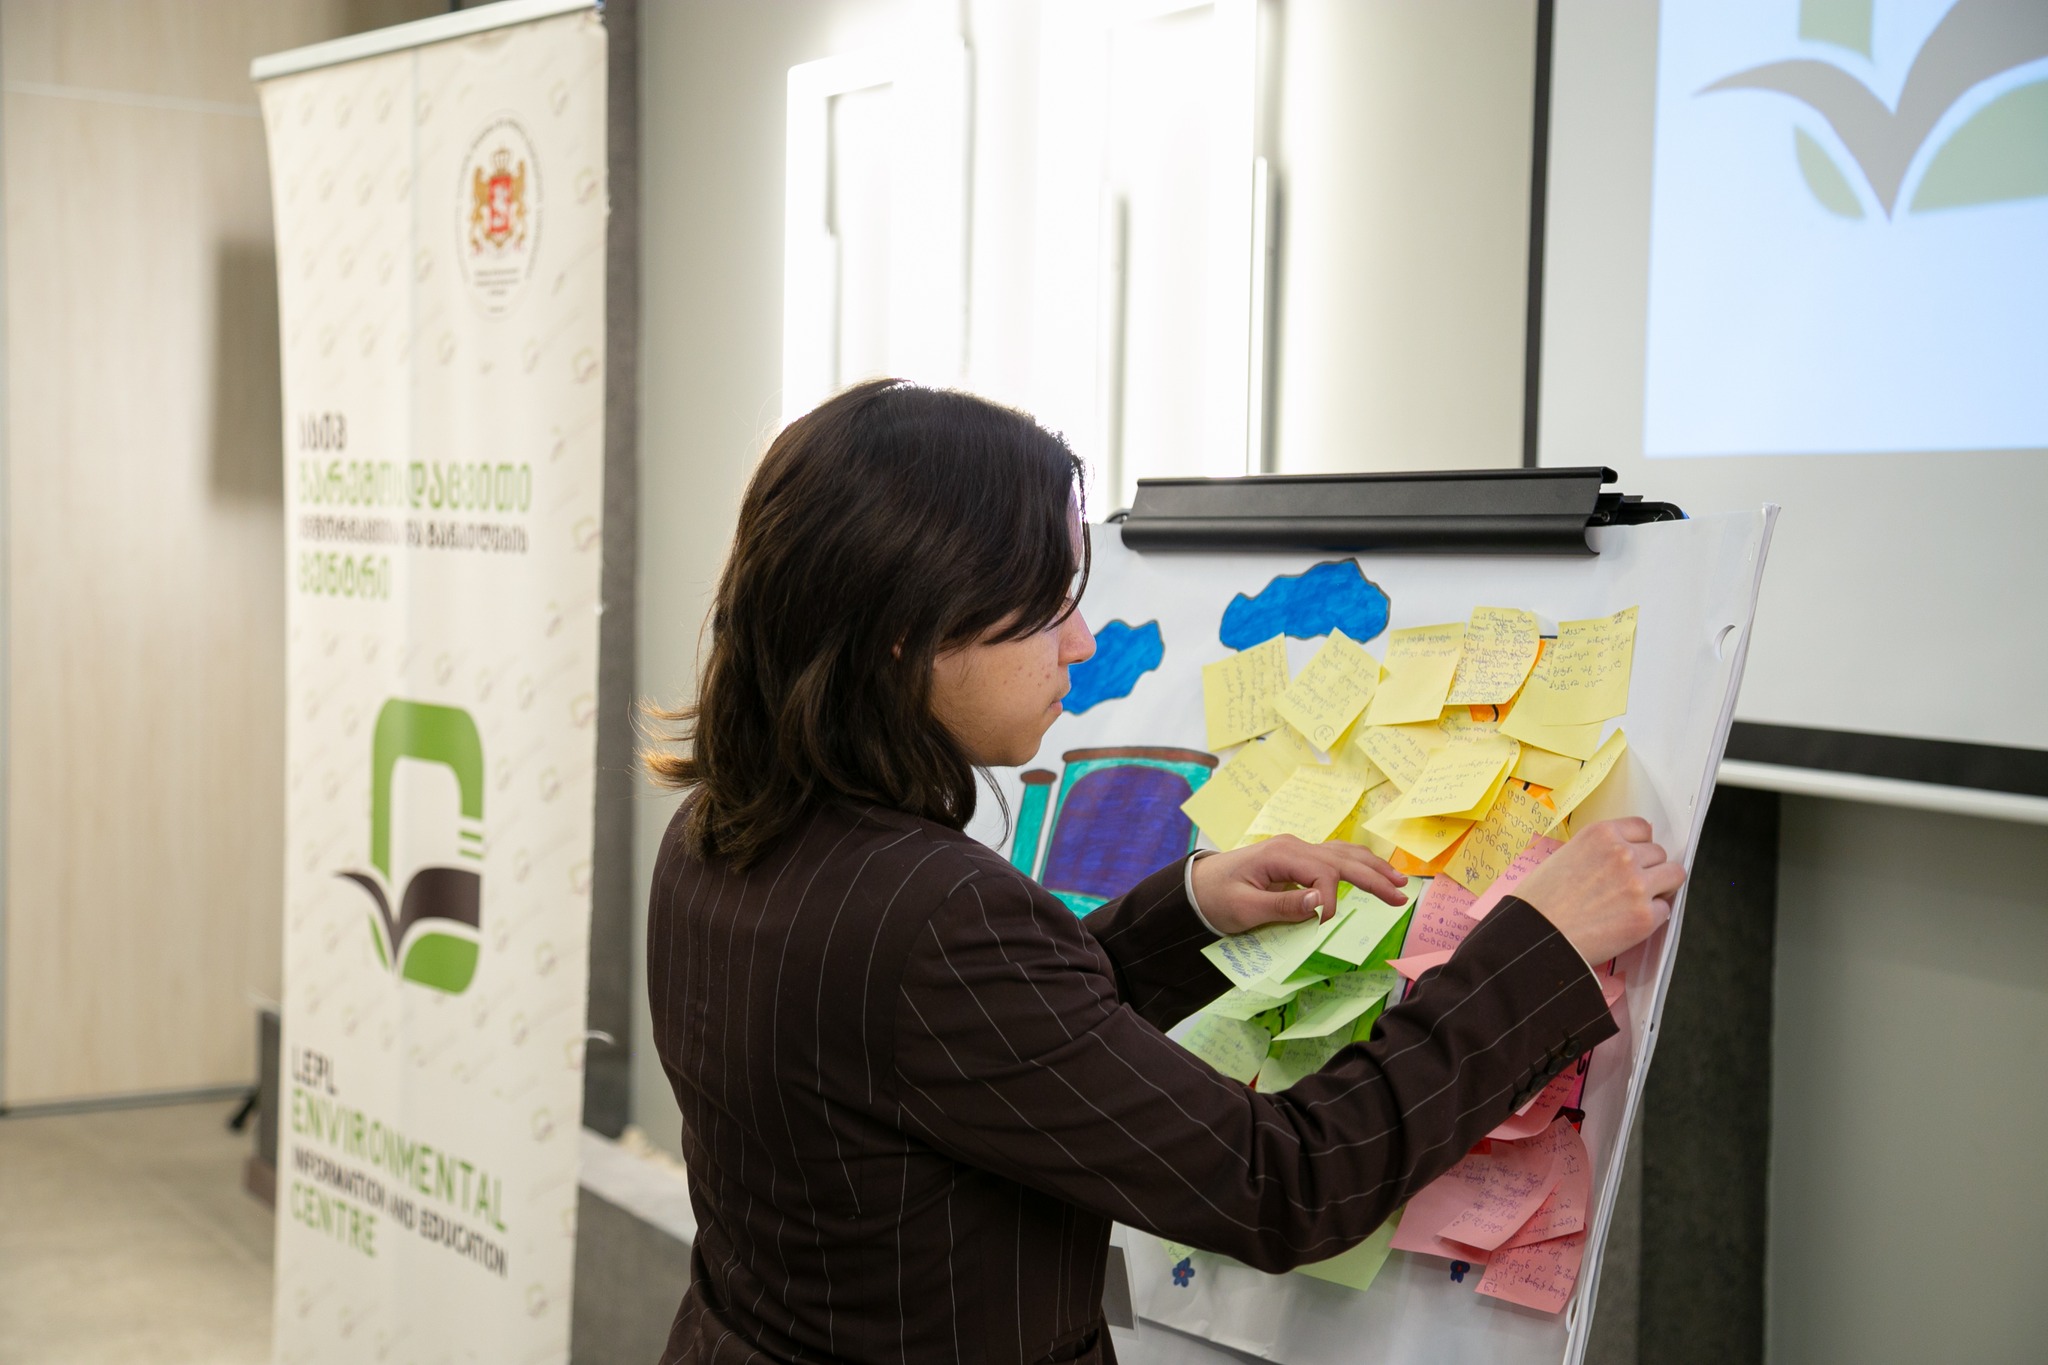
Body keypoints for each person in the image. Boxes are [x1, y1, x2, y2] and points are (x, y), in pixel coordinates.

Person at [643, 380, 1682, 1365]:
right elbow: (1285, 1182)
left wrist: (1187, 910)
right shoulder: (933, 919)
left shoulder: (718, 835)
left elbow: (959, 1049)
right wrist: (1534, 947)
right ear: (905, 631)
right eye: (1045, 606)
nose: (1081, 641)